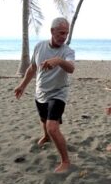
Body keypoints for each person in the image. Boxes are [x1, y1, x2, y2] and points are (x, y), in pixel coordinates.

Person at [14, 17, 75, 173]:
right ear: (52, 31)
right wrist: (22, 85)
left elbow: (71, 68)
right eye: (61, 33)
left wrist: (58, 61)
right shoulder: (40, 46)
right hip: (40, 92)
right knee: (43, 120)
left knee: (52, 127)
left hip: (58, 93)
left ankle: (66, 161)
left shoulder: (67, 51)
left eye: (66, 33)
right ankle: (46, 137)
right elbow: (32, 68)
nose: (64, 36)